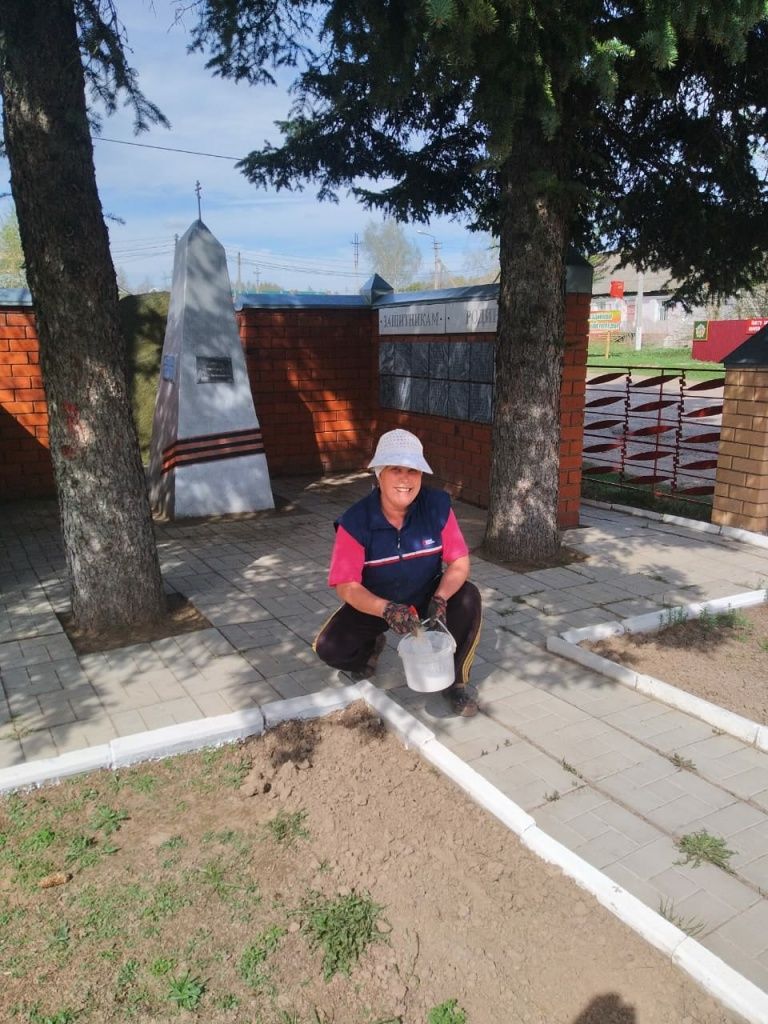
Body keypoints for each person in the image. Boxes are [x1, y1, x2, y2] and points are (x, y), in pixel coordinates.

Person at [313, 429, 482, 716]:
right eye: (396, 470)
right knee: (330, 648)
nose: (405, 479)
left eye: (413, 471)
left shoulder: (437, 507)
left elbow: (459, 561)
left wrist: (441, 597)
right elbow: (346, 585)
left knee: (468, 597)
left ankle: (454, 683)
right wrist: (386, 609)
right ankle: (370, 648)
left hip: (426, 595)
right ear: (379, 474)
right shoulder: (355, 521)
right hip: (377, 602)